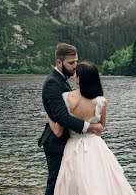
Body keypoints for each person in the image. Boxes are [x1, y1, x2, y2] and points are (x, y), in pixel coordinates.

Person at [48, 61, 136, 195]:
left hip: (73, 145)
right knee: (101, 181)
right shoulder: (101, 101)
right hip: (95, 146)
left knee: (73, 182)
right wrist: (92, 127)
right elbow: (101, 128)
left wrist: (49, 114)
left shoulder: (66, 98)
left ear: (78, 79)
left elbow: (60, 128)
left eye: (76, 74)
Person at [38, 43, 104, 195]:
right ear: (59, 62)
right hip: (55, 141)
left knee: (68, 184)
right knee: (55, 185)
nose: (75, 66)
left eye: (76, 61)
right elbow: (62, 117)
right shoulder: (52, 83)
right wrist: (91, 127)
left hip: (66, 140)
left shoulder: (61, 80)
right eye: (71, 63)